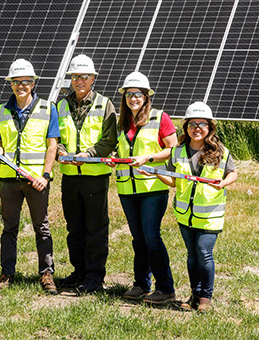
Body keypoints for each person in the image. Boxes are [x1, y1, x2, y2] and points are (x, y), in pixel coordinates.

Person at [144, 102, 237, 311]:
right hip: (186, 215)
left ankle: (205, 297)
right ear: (186, 127)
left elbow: (233, 173)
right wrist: (157, 173)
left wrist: (223, 183)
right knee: (192, 255)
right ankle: (194, 295)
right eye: (192, 124)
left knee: (204, 252)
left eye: (202, 124)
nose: (197, 128)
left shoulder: (220, 151)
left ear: (210, 128)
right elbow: (174, 181)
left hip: (210, 215)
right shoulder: (177, 152)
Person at [0, 59, 59, 295]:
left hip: (36, 181)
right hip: (8, 180)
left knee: (42, 228)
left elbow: (52, 146)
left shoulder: (48, 108)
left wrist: (46, 176)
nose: (21, 86)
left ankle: (46, 274)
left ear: (33, 83)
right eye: (16, 82)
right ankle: (7, 273)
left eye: (26, 82)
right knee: (9, 228)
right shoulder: (1, 110)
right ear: (10, 84)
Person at [110, 71, 178, 304]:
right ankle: (141, 284)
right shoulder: (122, 121)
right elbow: (122, 150)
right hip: (127, 189)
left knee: (151, 237)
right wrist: (114, 158)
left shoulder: (160, 118)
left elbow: (173, 149)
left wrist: (148, 158)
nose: (133, 98)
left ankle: (166, 288)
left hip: (153, 188)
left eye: (138, 94)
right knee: (138, 238)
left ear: (147, 96)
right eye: (129, 94)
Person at [55, 54, 118, 293]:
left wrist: (89, 153)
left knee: (96, 227)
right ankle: (78, 271)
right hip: (70, 176)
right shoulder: (60, 105)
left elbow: (109, 139)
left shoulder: (105, 104)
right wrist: (61, 151)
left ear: (93, 79)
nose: (79, 80)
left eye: (84, 76)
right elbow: (55, 137)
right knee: (74, 227)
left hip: (95, 177)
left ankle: (94, 277)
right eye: (75, 76)